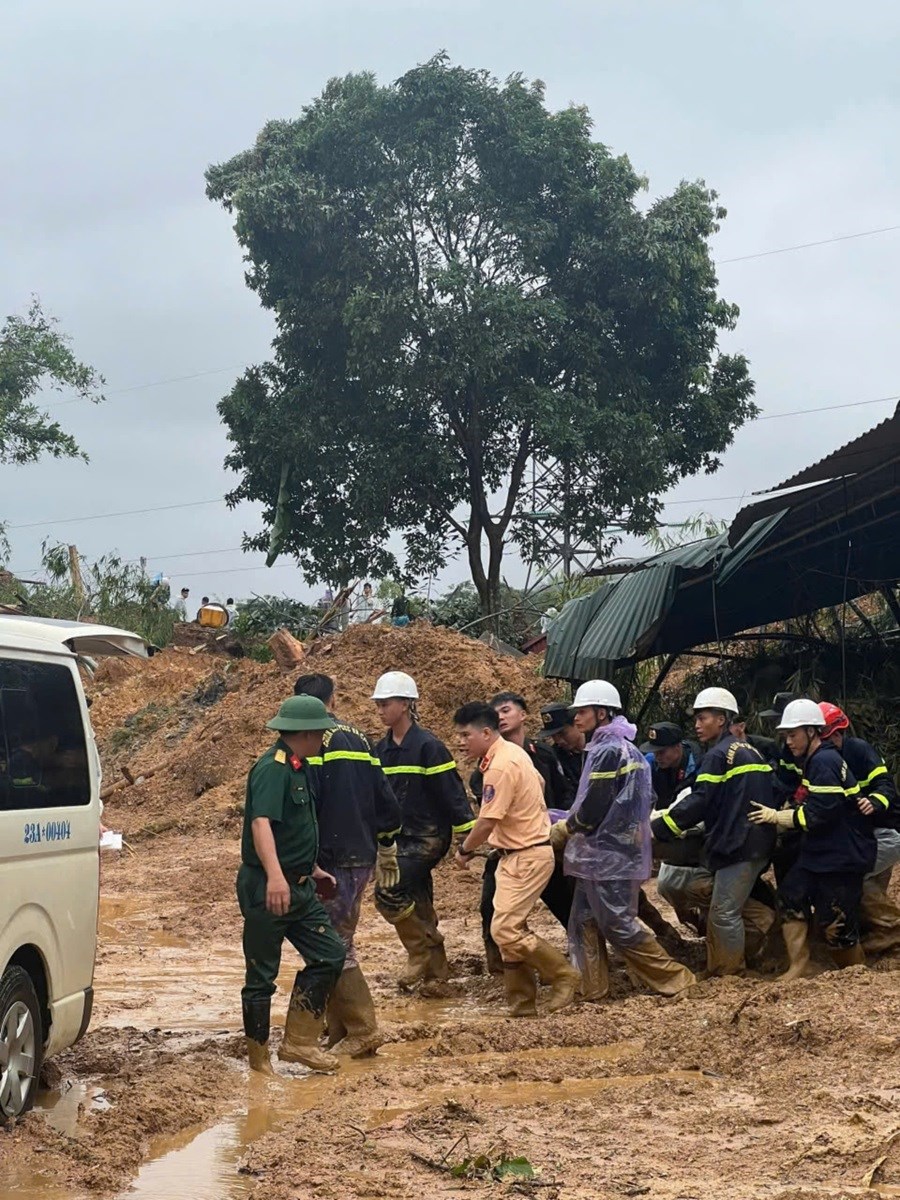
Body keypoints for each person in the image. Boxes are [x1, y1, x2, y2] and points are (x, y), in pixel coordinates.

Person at [551, 681, 696, 1000]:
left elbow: (593, 807)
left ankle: (676, 979)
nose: (576, 718)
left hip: (608, 855)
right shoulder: (614, 747)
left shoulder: (608, 750)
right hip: (603, 854)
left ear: (601, 713)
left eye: (583, 711)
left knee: (617, 924)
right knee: (584, 921)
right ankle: (593, 988)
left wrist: (566, 828)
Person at [236, 695, 347, 1075]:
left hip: (299, 886)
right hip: (269, 886)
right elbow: (261, 823)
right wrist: (276, 877)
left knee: (330, 954)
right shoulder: (273, 768)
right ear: (306, 733)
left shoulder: (299, 767)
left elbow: (293, 828)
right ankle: (259, 1060)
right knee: (261, 975)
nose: (323, 740)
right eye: (320, 733)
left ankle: (299, 1042)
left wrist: (312, 868)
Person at [294, 673, 401, 1057]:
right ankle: (339, 1028)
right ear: (332, 700)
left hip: (329, 859)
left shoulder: (307, 741)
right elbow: (385, 797)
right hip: (361, 854)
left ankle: (363, 1028)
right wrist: (387, 841)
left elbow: (307, 802)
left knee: (331, 943)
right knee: (338, 938)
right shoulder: (358, 737)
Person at [454, 703, 580, 1016]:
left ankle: (563, 975)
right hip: (515, 853)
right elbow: (538, 783)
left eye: (465, 735)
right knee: (508, 927)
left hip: (526, 854)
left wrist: (465, 850)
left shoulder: (500, 765)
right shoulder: (512, 753)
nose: (460, 742)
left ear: (485, 732)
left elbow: (486, 821)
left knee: (506, 929)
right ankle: (522, 1002)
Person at [651, 687, 777, 978]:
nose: (697, 725)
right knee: (719, 901)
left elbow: (700, 801)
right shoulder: (749, 750)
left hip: (740, 844)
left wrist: (659, 828)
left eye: (703, 717)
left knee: (724, 913)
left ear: (721, 719)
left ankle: (727, 973)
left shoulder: (718, 755)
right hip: (756, 841)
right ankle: (760, 943)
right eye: (696, 719)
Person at [749, 699, 876, 977]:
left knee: (836, 925)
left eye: (792, 735)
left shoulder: (824, 761)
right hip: (820, 851)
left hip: (841, 856)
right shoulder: (815, 759)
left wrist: (778, 817)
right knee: (790, 896)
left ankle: (857, 975)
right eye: (785, 736)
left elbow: (821, 813)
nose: (789, 742)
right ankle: (800, 965)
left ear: (812, 731)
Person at [372, 671, 474, 986]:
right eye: (378, 704)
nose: (380, 710)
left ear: (405, 704)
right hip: (397, 840)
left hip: (428, 837)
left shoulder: (429, 746)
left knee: (387, 891)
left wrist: (467, 836)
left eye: (385, 703)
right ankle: (437, 978)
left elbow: (451, 793)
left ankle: (420, 950)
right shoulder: (381, 750)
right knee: (418, 900)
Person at [474, 693, 574, 975]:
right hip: (506, 848)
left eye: (506, 710)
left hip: (544, 841)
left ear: (523, 715)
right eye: (496, 713)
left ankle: (579, 961)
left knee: (565, 903)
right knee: (491, 909)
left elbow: (562, 790)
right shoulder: (487, 764)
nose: (501, 716)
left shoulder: (542, 753)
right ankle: (503, 969)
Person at [818, 701, 900, 954]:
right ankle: (879, 941)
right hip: (860, 837)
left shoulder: (860, 752)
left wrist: (874, 802)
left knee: (852, 879)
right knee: (867, 888)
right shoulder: (820, 760)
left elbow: (886, 787)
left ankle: (892, 936)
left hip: (883, 834)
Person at [537, 703, 586, 788]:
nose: (559, 740)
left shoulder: (599, 749)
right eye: (553, 736)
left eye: (562, 733)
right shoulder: (555, 757)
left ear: (576, 723)